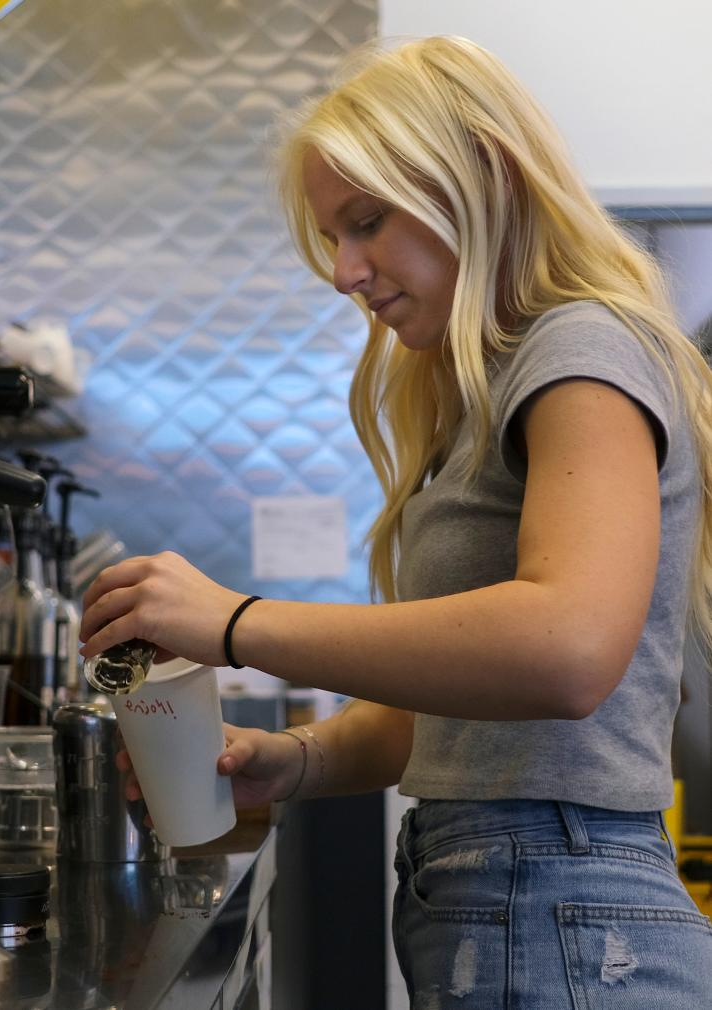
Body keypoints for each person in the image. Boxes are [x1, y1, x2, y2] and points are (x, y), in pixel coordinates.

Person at [79, 35, 712, 1008]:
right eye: (334, 235)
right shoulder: (489, 391)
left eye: (367, 222)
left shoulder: (582, 345)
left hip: (563, 901)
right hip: (507, 890)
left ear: (485, 176)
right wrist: (293, 762)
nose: (343, 270)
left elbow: (570, 647)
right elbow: (457, 712)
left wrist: (237, 620)